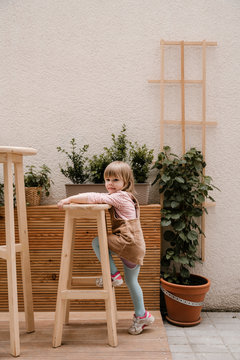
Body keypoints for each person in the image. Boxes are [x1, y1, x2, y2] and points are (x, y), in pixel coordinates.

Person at [57, 161, 154, 335]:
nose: (110, 183)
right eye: (107, 179)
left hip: (127, 241)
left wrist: (70, 198)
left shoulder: (121, 196)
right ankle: (142, 315)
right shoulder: (127, 197)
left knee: (97, 242)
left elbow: (93, 197)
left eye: (116, 180)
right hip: (136, 245)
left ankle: (113, 275)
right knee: (132, 282)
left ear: (126, 182)